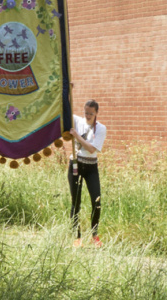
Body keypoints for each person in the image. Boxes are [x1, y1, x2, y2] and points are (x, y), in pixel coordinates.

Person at [68, 99, 107, 247]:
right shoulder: (77, 121)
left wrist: (77, 136)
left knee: (96, 201)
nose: (88, 116)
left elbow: (92, 149)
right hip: (76, 164)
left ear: (96, 112)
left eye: (91, 113)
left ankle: (94, 236)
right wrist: (67, 88)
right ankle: (76, 237)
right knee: (75, 202)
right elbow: (66, 107)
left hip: (91, 167)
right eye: (86, 112)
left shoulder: (101, 128)